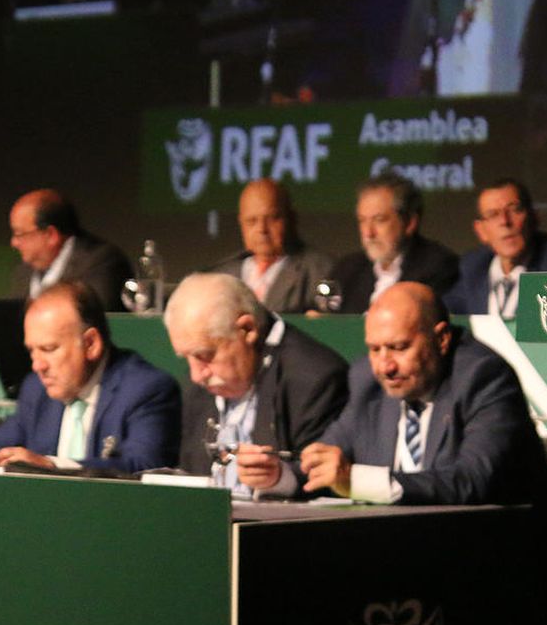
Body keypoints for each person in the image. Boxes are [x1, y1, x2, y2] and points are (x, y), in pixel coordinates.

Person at [302, 282, 547, 505]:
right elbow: (326, 459)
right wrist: (279, 475)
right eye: (375, 349)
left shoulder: (482, 376)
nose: (385, 366)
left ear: (441, 338)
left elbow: (472, 481)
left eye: (399, 347)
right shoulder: (367, 380)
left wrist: (360, 481)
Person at [0, 282, 179, 472]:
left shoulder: (146, 389)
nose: (37, 365)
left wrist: (52, 465)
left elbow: (144, 467)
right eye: (31, 351)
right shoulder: (36, 389)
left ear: (90, 344)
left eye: (48, 349)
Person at [164, 271, 347, 497]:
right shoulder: (198, 388)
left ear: (247, 329)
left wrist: (279, 478)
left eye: (205, 355)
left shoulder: (314, 378)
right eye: (187, 358)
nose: (196, 375)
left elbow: (322, 481)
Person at [328, 173, 458, 313]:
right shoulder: (347, 270)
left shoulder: (438, 267)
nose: (368, 233)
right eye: (362, 220)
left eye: (379, 220)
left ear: (409, 223)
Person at [442, 178, 547, 317]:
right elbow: (444, 311)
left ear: (534, 218)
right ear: (481, 231)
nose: (504, 221)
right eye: (493, 214)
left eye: (514, 210)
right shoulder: (474, 267)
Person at [211, 179, 334, 313]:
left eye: (272, 218)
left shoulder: (319, 271)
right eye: (251, 221)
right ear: (241, 223)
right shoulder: (221, 275)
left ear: (291, 218)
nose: (261, 229)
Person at [7, 188, 132, 309]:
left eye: (19, 234)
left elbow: (90, 319)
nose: (14, 243)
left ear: (51, 235)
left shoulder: (102, 263)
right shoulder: (24, 273)